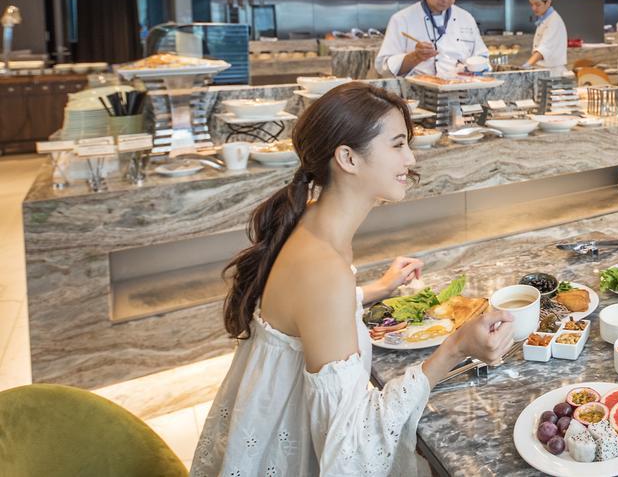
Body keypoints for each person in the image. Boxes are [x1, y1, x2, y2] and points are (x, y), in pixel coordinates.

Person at [192, 82, 514, 475]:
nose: (410, 158)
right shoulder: (324, 268)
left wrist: (374, 290)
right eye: (397, 145)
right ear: (347, 157)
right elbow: (352, 450)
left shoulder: (311, 219)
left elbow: (307, 310)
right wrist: (455, 347)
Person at [525, 0, 567, 70]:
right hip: (544, 69)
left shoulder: (553, 21)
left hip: (553, 72)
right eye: (532, 4)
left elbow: (542, 50)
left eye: (537, 4)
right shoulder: (545, 19)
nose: (533, 8)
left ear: (548, 3)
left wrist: (525, 66)